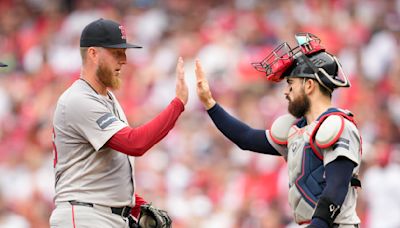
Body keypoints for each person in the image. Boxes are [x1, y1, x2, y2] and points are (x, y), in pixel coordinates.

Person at [195, 33, 362, 228]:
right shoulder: (298, 130)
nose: (286, 92)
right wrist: (210, 103)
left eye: (291, 84)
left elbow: (336, 188)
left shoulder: (337, 126)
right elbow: (246, 138)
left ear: (309, 85)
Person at [49, 18, 187, 228]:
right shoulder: (78, 99)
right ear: (93, 53)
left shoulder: (106, 99)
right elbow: (135, 143)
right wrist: (177, 104)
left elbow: (104, 170)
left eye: (124, 52)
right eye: (116, 53)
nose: (123, 59)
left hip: (104, 214)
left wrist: (136, 206)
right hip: (85, 215)